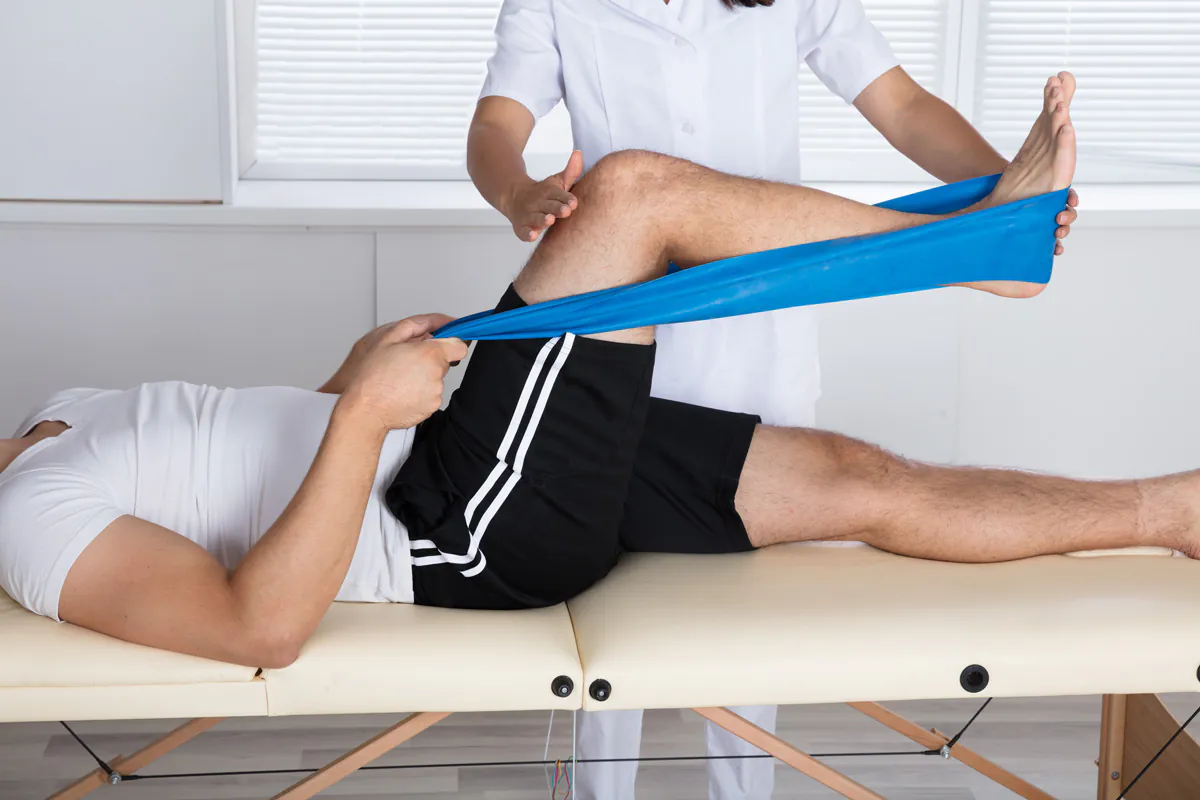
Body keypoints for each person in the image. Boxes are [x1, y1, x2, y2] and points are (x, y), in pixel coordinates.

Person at [5, 88, 1163, 712]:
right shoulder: (27, 519)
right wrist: (362, 416)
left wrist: (344, 380)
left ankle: (1172, 511)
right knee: (632, 195)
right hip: (453, 525)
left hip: (446, 452)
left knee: (854, 477)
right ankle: (987, 245)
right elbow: (256, 625)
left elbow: (247, 472)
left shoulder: (58, 415)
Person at [465, 0, 1080, 795]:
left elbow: (902, 106)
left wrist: (1016, 195)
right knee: (607, 580)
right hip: (620, 328)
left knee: (750, 603)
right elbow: (494, 127)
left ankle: (745, 788)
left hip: (757, 332)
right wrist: (517, 192)